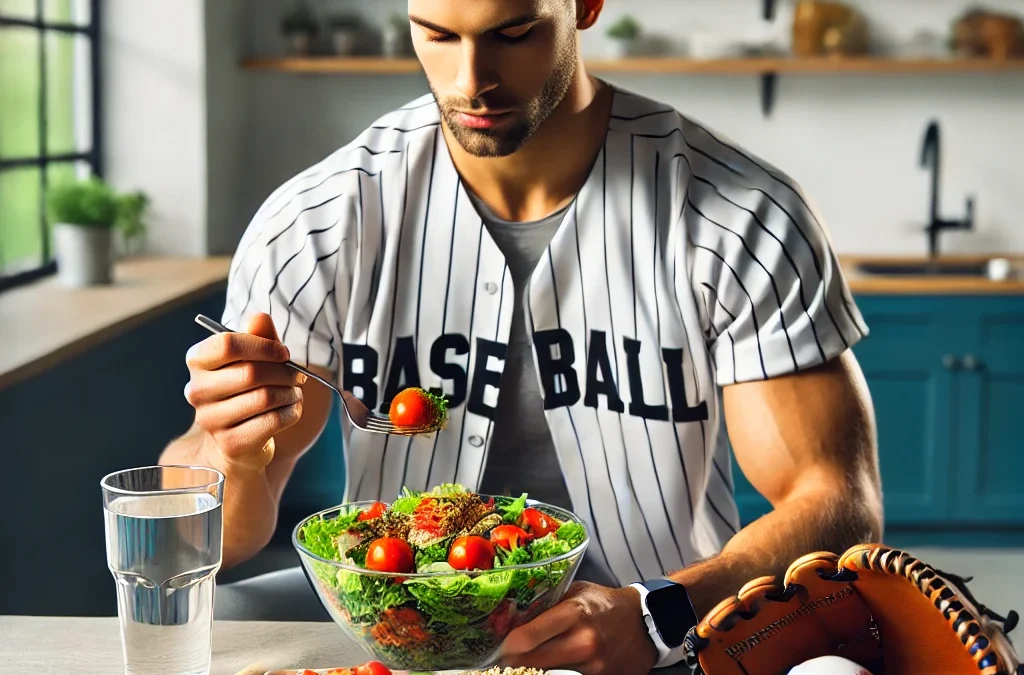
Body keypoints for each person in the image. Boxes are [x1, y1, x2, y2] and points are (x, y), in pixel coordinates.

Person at [160, 0, 883, 672]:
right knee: (198, 618)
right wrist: (230, 452)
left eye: (513, 33)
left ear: (586, 6)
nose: (471, 81)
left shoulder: (737, 216)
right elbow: (215, 540)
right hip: (405, 635)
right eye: (437, 34)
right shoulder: (318, 222)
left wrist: (662, 611)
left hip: (662, 629)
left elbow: (837, 499)